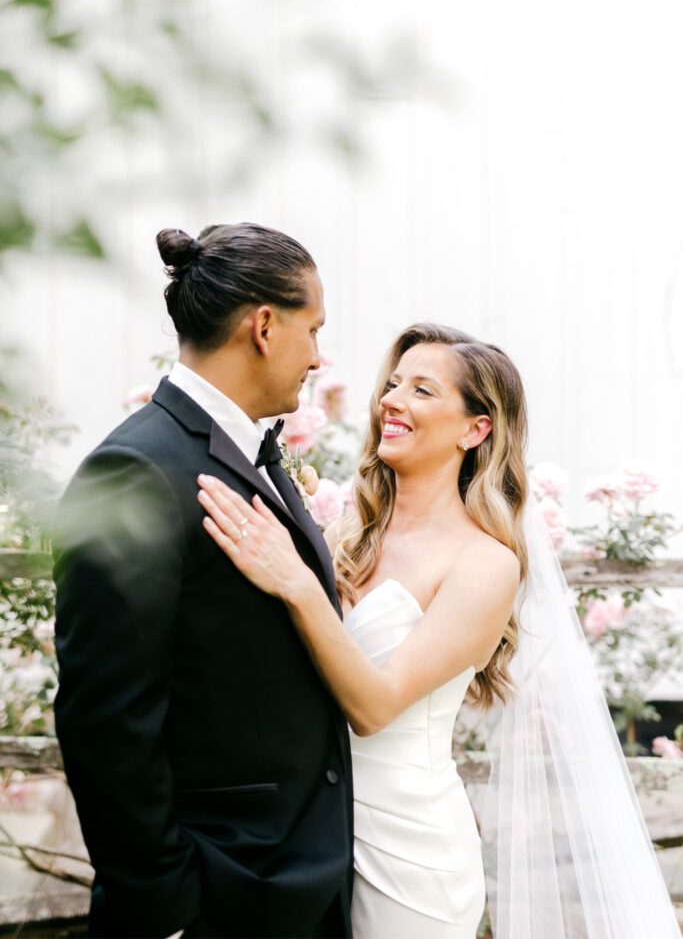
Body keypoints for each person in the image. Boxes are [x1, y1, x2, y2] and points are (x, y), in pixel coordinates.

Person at [197, 322, 681, 939]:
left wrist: (294, 581)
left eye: (423, 391)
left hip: (407, 850)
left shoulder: (485, 564)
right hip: (303, 831)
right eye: (393, 385)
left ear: (475, 430)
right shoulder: (347, 534)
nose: (391, 401)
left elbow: (374, 708)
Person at [53, 223, 353, 939]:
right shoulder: (137, 471)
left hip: (294, 883)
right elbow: (105, 722)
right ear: (263, 326)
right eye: (312, 330)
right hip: (215, 896)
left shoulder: (249, 450)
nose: (317, 357)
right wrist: (165, 908)